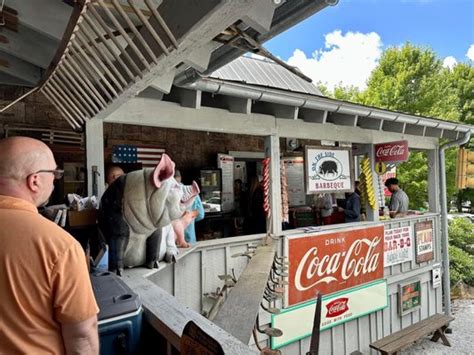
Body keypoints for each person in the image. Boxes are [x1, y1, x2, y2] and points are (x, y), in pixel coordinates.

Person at [0, 137, 99, 355]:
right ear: (34, 181)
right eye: (53, 174)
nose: (55, 181)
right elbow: (82, 334)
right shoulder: (60, 246)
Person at [175, 170, 205, 244]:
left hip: (172, 239)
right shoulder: (192, 191)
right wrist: (190, 219)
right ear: (180, 178)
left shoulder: (168, 193)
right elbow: (201, 215)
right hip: (189, 238)